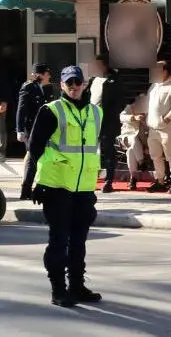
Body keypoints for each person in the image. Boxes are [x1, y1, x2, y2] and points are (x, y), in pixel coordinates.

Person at [28, 66, 102, 307]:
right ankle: (58, 289)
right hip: (56, 186)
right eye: (69, 83)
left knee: (79, 241)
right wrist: (32, 183)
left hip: (83, 188)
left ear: (84, 83)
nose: (73, 86)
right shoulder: (51, 111)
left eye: (77, 82)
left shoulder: (95, 113)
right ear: (61, 85)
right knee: (59, 240)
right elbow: (36, 147)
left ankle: (77, 286)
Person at [86, 54, 123, 193]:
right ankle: (91, 178)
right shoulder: (93, 80)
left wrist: (112, 115)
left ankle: (109, 180)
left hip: (107, 122)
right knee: (91, 151)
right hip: (91, 120)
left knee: (108, 151)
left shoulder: (114, 80)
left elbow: (120, 101)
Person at [145, 60, 171, 194]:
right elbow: (148, 104)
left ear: (165, 71)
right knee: (155, 156)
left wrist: (166, 119)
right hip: (153, 128)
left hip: (168, 128)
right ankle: (160, 180)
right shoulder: (154, 86)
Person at [16, 63, 51, 200]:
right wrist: (19, 130)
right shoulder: (28, 87)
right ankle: (26, 190)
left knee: (40, 158)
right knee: (32, 157)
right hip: (31, 128)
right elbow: (21, 109)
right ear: (40, 75)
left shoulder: (46, 88)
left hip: (44, 128)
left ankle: (38, 187)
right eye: (47, 73)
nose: (49, 76)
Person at [119, 93, 148, 190]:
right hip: (126, 137)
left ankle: (133, 178)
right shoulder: (129, 108)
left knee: (130, 151)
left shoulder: (148, 112)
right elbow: (121, 117)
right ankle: (141, 162)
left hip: (141, 141)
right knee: (133, 139)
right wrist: (133, 117)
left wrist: (143, 121)